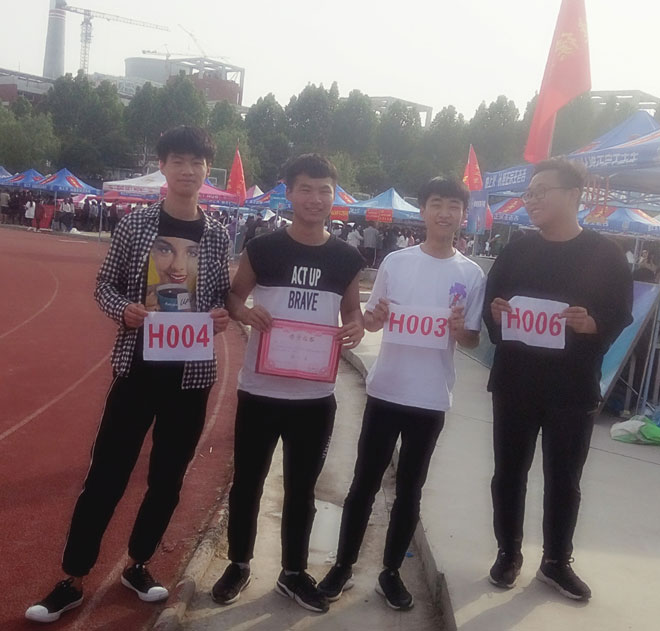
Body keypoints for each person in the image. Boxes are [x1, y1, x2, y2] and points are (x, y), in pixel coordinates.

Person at [25, 126, 232, 623]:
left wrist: (219, 316)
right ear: (162, 166)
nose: (187, 170)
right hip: (138, 368)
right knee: (107, 475)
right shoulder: (136, 225)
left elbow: (219, 296)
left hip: (191, 377)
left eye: (196, 162)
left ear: (208, 170)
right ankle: (73, 578)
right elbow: (105, 285)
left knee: (167, 479)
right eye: (178, 160)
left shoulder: (219, 234)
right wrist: (125, 310)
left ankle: (138, 563)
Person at [318, 177, 485, 610]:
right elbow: (374, 321)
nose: (444, 213)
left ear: (462, 215)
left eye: (453, 206)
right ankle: (343, 566)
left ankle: (390, 573)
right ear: (423, 210)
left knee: (411, 490)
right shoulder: (396, 262)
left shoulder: (471, 274)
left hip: (431, 398)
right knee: (364, 483)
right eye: (436, 204)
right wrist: (373, 317)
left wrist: (459, 329)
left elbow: (470, 338)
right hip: (387, 391)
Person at [210, 154, 364, 614]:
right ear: (289, 193)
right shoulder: (263, 249)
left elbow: (351, 312)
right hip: (260, 391)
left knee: (302, 490)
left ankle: (293, 572)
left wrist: (355, 327)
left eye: (324, 190)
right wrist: (245, 312)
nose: (315, 199)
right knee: (248, 484)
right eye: (306, 189)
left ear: (334, 196)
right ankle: (239, 563)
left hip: (315, 398)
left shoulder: (346, 258)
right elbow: (233, 296)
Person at [483, 159, 633, 601]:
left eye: (540, 192)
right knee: (508, 473)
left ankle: (555, 561)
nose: (531, 201)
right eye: (528, 194)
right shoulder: (515, 251)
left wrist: (593, 324)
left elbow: (619, 313)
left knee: (565, 479)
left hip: (572, 387)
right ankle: (508, 552)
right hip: (515, 383)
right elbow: (492, 304)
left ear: (573, 195)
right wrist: (496, 314)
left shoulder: (605, 255)